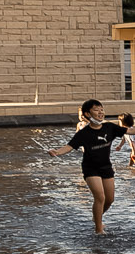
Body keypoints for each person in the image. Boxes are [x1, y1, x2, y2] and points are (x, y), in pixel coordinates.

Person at [48, 99, 125, 233]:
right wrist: (57, 152)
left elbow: (129, 130)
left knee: (109, 199)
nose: (100, 112)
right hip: (91, 168)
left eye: (101, 109)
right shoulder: (83, 133)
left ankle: (97, 217)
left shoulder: (109, 127)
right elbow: (69, 146)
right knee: (100, 197)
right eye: (96, 110)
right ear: (88, 114)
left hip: (106, 167)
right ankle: (99, 229)